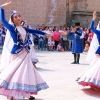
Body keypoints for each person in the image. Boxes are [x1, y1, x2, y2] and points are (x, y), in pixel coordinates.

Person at [0, 0, 53, 99]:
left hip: (25, 53)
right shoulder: (12, 28)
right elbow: (2, 20)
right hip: (17, 53)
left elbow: (35, 31)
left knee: (26, 72)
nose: (18, 18)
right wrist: (2, 8)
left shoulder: (24, 28)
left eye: (19, 16)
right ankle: (13, 94)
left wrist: (46, 34)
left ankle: (26, 93)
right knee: (15, 73)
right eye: (15, 17)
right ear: (12, 19)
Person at [76, 11, 100, 91]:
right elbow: (92, 28)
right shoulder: (99, 32)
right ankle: (94, 82)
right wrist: (93, 19)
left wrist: (94, 19)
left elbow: (92, 28)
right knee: (96, 67)